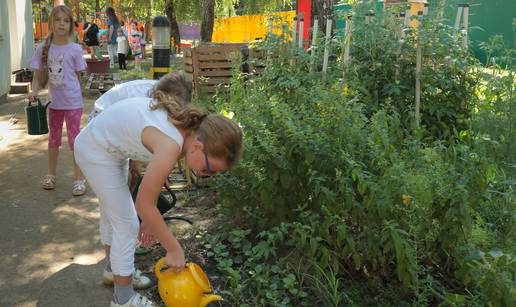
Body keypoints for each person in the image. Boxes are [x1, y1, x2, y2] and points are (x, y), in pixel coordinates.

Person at [74, 73, 243, 307]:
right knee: (126, 223)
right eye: (208, 169)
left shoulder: (182, 129)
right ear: (198, 146)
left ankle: (115, 270)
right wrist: (174, 248)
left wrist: (149, 220)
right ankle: (123, 300)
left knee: (117, 213)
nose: (207, 176)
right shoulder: (172, 143)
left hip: (110, 148)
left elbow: (147, 198)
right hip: (96, 151)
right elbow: (144, 204)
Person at [29, 5, 87, 196]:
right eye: (58, 19)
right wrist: (34, 91)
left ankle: (79, 179)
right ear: (51, 23)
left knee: (74, 141)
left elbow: (78, 77)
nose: (62, 23)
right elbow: (37, 76)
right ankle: (51, 175)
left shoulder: (76, 50)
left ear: (71, 24)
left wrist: (76, 96)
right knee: (53, 140)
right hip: (53, 104)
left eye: (66, 20)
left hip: (73, 104)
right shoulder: (42, 49)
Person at [87, 71, 191, 122]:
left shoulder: (158, 89)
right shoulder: (148, 101)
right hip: (101, 116)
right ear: (172, 96)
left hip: (114, 116)